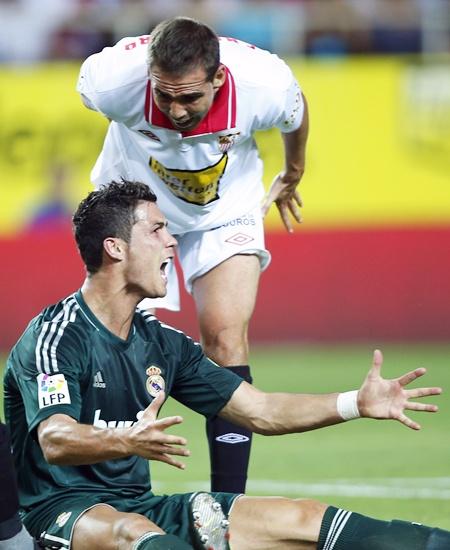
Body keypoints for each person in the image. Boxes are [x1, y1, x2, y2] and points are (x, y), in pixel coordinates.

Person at [4, 180, 449, 550]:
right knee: (134, 534)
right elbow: (56, 439)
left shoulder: (162, 343)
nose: (172, 241)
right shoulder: (57, 336)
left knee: (301, 518)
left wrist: (355, 402)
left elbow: (260, 411)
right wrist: (125, 438)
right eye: (157, 230)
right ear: (115, 248)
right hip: (61, 515)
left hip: (140, 506)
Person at [76, 16, 309, 493]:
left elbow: (298, 111)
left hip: (226, 210)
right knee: (116, 345)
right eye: (164, 96)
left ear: (219, 78)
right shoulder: (110, 82)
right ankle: (105, 494)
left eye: (190, 97)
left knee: (225, 338)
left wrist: (293, 171)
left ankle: (228, 506)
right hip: (135, 209)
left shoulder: (264, 84)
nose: (177, 111)